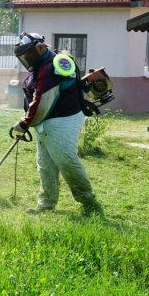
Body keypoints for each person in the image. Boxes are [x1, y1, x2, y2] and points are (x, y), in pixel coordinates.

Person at [11, 32, 102, 215]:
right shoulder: (41, 65)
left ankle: (88, 201)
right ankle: (46, 204)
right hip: (46, 121)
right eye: (24, 55)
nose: (26, 58)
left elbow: (41, 101)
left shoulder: (51, 67)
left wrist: (24, 123)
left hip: (64, 119)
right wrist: (27, 121)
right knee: (45, 164)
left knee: (66, 161)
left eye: (28, 53)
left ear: (41, 48)